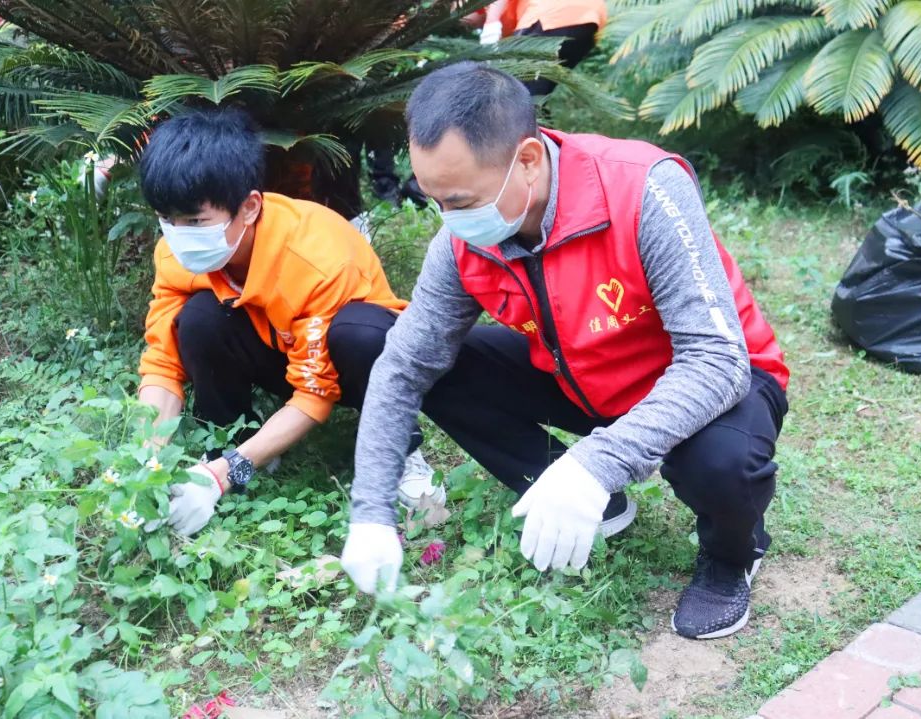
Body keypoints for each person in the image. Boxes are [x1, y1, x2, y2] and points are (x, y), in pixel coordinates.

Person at [339, 63, 790, 640]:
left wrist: (594, 462)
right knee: (432, 365)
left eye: (459, 200)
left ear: (526, 160)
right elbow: (403, 368)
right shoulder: (462, 240)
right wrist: (371, 512)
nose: (448, 221)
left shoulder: (641, 187)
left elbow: (717, 362)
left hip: (711, 379)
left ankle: (731, 560)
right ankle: (594, 502)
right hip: (583, 375)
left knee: (721, 462)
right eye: (433, 201)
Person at [136, 108, 445, 536]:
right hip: (283, 349)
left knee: (360, 334)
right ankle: (235, 442)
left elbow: (316, 392)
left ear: (249, 207)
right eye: (167, 220)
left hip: (353, 364)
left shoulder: (317, 257)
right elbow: (163, 364)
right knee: (197, 319)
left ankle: (401, 450)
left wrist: (221, 478)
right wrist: (143, 459)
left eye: (195, 221)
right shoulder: (174, 252)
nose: (177, 234)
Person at [481, 0, 606, 97]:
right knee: (534, 96)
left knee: (513, 94)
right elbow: (472, 15)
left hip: (550, 16)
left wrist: (490, 24)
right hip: (588, 19)